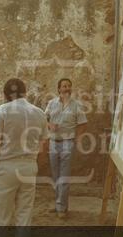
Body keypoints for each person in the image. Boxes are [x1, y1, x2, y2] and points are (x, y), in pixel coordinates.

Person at [0, 78, 48, 228]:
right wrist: (35, 165)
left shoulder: (3, 109)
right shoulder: (39, 112)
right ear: (24, 92)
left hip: (5, 167)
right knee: (24, 216)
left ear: (6, 94)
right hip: (28, 166)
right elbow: (45, 146)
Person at [44, 78, 87, 218]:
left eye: (69, 86)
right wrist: (50, 126)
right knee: (56, 175)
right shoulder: (51, 104)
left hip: (68, 142)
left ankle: (61, 208)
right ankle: (59, 204)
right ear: (59, 89)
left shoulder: (77, 105)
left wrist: (77, 139)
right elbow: (44, 119)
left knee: (64, 176)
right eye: (64, 86)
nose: (66, 88)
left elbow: (82, 124)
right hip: (53, 141)